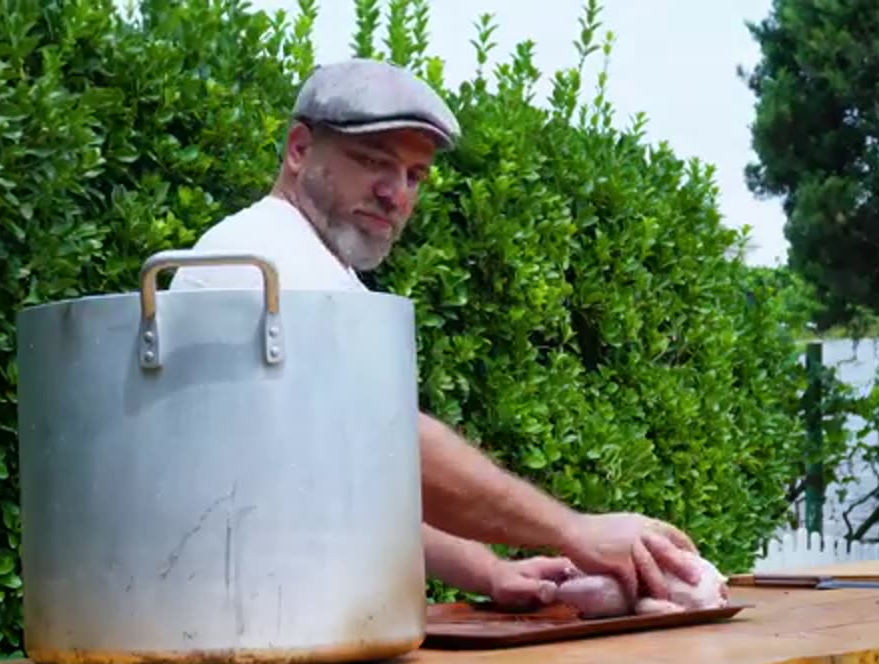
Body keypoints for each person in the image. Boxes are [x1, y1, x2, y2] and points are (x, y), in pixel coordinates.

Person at [169, 58, 703, 608]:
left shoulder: (319, 267)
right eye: (373, 161)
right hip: (239, 633)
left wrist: (489, 573)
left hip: (269, 623)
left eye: (414, 176)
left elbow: (351, 487)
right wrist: (573, 530)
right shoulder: (268, 260)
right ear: (299, 150)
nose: (395, 193)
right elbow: (386, 444)